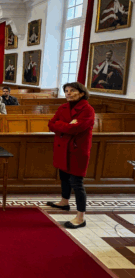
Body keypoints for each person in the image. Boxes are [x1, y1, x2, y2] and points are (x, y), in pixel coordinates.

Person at [47, 82, 95, 229]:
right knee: (64, 177)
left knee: (77, 183)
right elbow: (51, 124)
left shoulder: (87, 110)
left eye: (72, 90)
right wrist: (67, 124)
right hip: (62, 148)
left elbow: (76, 129)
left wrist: (62, 125)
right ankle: (64, 202)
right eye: (66, 91)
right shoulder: (63, 107)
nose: (68, 93)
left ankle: (80, 218)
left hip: (76, 150)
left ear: (82, 93)